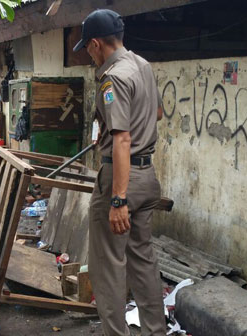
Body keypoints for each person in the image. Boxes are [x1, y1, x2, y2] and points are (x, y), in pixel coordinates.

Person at [73, 9, 165, 336]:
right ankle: (156, 331)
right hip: (147, 176)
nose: (88, 54)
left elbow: (123, 139)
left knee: (108, 267)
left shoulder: (112, 77)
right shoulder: (142, 66)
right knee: (143, 261)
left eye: (88, 48)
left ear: (97, 44)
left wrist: (117, 200)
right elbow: (155, 112)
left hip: (121, 179)